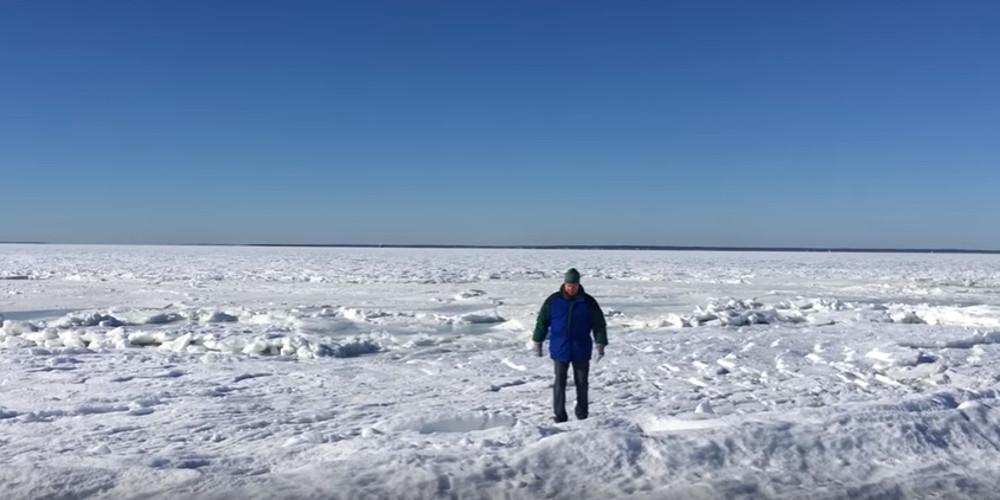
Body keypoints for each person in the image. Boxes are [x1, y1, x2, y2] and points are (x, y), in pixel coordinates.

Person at [532, 268, 608, 422]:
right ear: (564, 284)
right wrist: (537, 341)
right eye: (568, 285)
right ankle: (559, 415)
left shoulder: (588, 302)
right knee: (559, 383)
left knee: (582, 383)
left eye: (573, 285)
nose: (571, 288)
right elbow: (542, 322)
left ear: (578, 284)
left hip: (581, 348)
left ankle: (582, 414)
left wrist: (600, 343)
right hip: (560, 348)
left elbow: (599, 324)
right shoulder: (553, 301)